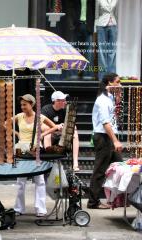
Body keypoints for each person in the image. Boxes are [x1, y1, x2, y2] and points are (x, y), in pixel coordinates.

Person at [14, 94, 59, 217]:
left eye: (25, 104)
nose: (22, 106)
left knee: (39, 180)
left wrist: (42, 135)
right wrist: (17, 134)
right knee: (20, 180)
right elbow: (5, 124)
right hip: (22, 150)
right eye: (21, 104)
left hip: (35, 149)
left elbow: (54, 127)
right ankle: (18, 208)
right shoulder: (19, 116)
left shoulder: (40, 117)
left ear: (32, 104)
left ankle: (40, 208)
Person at [87, 73, 122, 209]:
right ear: (110, 83)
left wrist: (118, 95)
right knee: (100, 170)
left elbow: (114, 114)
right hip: (103, 137)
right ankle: (93, 202)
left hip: (109, 137)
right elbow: (105, 123)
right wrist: (115, 141)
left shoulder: (110, 97)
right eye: (118, 82)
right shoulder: (102, 100)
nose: (120, 85)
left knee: (119, 167)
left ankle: (117, 198)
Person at [41, 91, 80, 171]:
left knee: (75, 134)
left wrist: (66, 127)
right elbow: (42, 127)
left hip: (63, 135)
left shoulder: (66, 110)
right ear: (57, 101)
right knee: (47, 135)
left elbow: (74, 126)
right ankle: (47, 162)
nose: (65, 102)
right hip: (51, 134)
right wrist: (56, 127)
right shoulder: (46, 109)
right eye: (63, 100)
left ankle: (75, 163)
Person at [95, 0, 118, 80]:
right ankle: (102, 77)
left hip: (113, 26)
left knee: (112, 51)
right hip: (101, 25)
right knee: (102, 51)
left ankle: (112, 77)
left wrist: (116, 26)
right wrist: (96, 27)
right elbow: (96, 14)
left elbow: (116, 14)